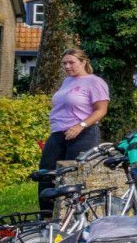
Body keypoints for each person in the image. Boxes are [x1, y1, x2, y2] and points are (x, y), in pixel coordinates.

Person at [37, 49, 110, 211]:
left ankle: (70, 215)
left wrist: (81, 125)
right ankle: (46, 216)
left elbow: (101, 110)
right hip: (59, 132)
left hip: (83, 133)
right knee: (46, 173)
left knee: (72, 175)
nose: (67, 66)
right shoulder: (66, 82)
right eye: (64, 63)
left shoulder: (95, 82)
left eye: (71, 62)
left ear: (83, 62)